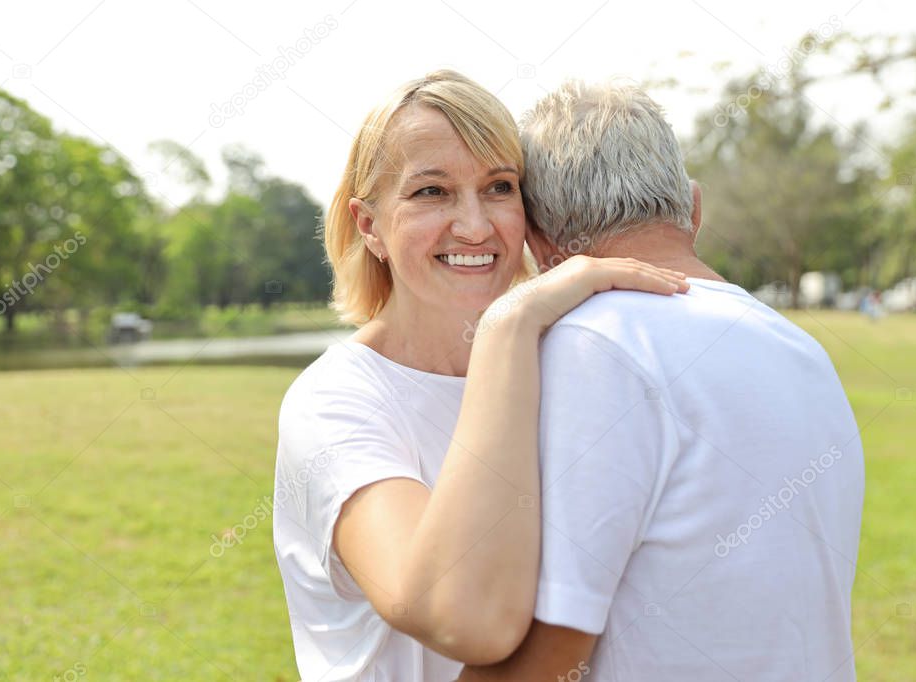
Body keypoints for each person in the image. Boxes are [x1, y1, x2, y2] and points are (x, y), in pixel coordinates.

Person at [271, 70, 689, 682]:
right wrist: (510, 324)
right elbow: (457, 615)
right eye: (431, 193)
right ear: (369, 226)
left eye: (499, 187)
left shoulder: (568, 366)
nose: (474, 226)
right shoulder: (333, 403)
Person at [460, 80, 865, 681]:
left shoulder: (593, 346)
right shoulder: (800, 348)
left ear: (540, 246)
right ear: (695, 210)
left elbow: (551, 653)